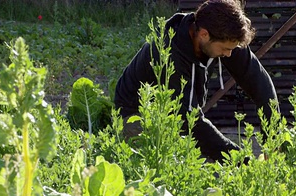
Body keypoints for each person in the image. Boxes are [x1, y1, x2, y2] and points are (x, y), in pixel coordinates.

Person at [114, 0, 278, 162]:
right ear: (204, 34)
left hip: (179, 114)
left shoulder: (225, 37)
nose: (229, 55)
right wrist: (242, 161)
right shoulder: (169, 52)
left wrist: (272, 140)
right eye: (225, 49)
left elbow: (261, 85)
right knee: (172, 170)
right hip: (137, 116)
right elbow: (190, 122)